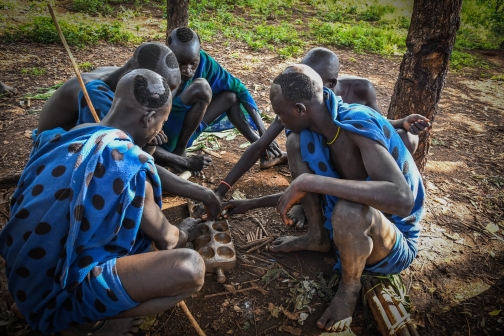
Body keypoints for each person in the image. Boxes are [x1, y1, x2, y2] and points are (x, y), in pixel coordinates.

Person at [1, 69, 208, 336]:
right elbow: (167, 239)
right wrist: (187, 231)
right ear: (148, 117)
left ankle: (33, 305)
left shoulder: (71, 135)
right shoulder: (129, 166)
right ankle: (82, 320)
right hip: (58, 291)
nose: (160, 130)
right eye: (162, 122)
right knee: (191, 270)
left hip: (22, 276)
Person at [222, 65, 425, 332]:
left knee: (349, 209)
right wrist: (250, 204)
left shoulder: (355, 124)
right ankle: (317, 236)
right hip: (350, 222)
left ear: (300, 109)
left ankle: (350, 287)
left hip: (391, 241)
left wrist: (309, 181)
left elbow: (401, 199)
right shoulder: (314, 128)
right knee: (295, 143)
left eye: (280, 112)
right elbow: (318, 187)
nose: (278, 119)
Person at [213, 47, 429, 209]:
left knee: (408, 139)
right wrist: (223, 189)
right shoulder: (301, 104)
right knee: (296, 140)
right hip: (336, 163)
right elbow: (260, 146)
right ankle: (311, 208)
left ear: (329, 84)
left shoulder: (353, 100)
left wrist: (402, 122)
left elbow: (375, 124)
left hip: (365, 170)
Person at [37, 42, 212, 174]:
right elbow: (117, 153)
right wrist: (185, 163)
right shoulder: (94, 94)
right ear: (143, 77)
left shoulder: (122, 76)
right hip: (54, 152)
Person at [158, 26, 285, 171]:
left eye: (193, 63)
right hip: (163, 136)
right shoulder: (159, 66)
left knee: (230, 97)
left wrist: (264, 133)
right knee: (202, 88)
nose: (188, 70)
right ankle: (178, 153)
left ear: (199, 51)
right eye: (180, 63)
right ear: (170, 51)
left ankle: (264, 151)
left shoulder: (205, 61)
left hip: (186, 131)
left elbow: (239, 89)